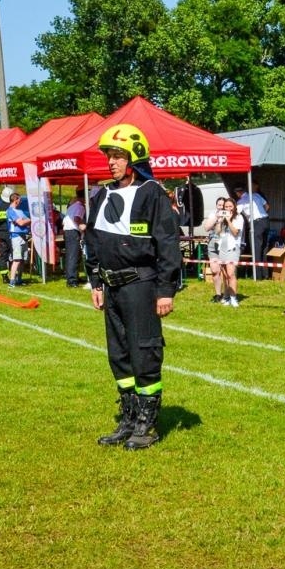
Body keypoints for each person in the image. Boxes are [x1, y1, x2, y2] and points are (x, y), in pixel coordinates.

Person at [84, 123, 181, 451]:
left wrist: (166, 289)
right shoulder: (102, 195)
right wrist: (95, 281)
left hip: (141, 286)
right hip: (111, 289)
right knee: (119, 355)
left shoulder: (152, 193)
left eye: (117, 156)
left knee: (144, 353)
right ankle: (128, 417)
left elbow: (167, 242)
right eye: (108, 156)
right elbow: (92, 240)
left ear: (134, 158)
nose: (110, 162)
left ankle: (147, 424)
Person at [206, 197, 244, 306]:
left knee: (231, 273)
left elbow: (236, 232)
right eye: (226, 207)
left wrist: (228, 220)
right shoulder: (222, 217)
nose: (228, 209)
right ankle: (226, 296)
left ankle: (233, 297)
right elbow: (217, 232)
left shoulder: (238, 218)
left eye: (230, 206)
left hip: (233, 247)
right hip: (222, 247)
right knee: (225, 274)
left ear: (234, 207)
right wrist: (219, 221)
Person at [6, 193, 32, 286]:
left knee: (22, 260)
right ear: (15, 200)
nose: (20, 201)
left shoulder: (20, 211)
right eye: (19, 199)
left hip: (24, 236)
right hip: (16, 236)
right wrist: (26, 221)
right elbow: (21, 223)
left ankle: (19, 279)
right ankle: (12, 281)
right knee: (16, 259)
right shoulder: (10, 211)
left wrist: (26, 220)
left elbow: (27, 220)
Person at [63, 194, 86, 287]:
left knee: (72, 256)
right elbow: (77, 218)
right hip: (73, 232)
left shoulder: (72, 206)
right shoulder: (80, 206)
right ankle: (72, 280)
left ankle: (73, 276)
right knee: (73, 256)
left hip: (68, 232)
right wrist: (83, 227)